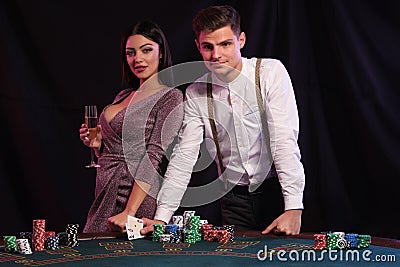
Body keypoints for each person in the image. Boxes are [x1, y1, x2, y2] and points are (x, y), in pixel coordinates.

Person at [141, 5, 305, 235]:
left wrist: (294, 206)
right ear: (198, 46)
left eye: (225, 44)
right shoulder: (196, 92)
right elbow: (184, 157)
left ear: (242, 40)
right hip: (233, 201)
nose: (216, 55)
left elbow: (283, 141)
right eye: (208, 46)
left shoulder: (269, 73)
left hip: (276, 193)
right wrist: (161, 218)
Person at [79, 21, 184, 233]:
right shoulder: (124, 95)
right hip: (105, 189)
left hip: (134, 195)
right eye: (130, 53)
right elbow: (112, 149)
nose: (138, 59)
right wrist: (99, 145)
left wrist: (130, 210)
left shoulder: (171, 97)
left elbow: (153, 156)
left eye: (146, 50)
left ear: (161, 53)